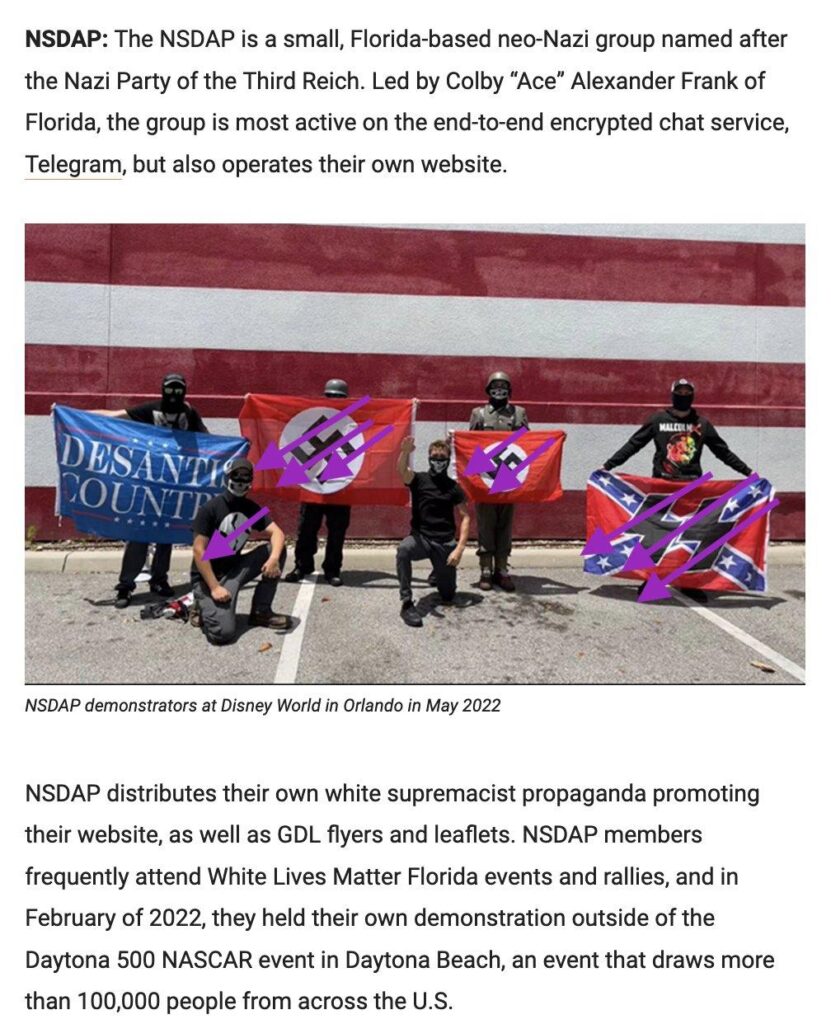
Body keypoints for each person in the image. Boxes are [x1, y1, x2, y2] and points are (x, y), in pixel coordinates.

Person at [93, 373, 209, 608]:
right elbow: (114, 417)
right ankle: (126, 585)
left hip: (174, 486)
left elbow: (209, 441)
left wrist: (235, 447)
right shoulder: (151, 410)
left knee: (165, 536)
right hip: (148, 486)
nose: (174, 394)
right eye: (170, 389)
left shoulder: (189, 413)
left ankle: (159, 580)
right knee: (139, 536)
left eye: (179, 389)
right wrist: (75, 415)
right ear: (162, 390)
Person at [191, 458, 290, 645]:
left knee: (277, 548)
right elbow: (198, 550)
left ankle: (261, 612)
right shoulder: (210, 508)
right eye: (236, 476)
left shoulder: (251, 508)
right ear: (228, 477)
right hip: (208, 577)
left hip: (234, 569)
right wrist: (214, 587)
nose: (240, 482)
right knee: (223, 634)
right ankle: (199, 606)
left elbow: (277, 532)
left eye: (245, 478)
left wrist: (274, 558)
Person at [602, 378, 754, 480]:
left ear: (692, 396)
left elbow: (723, 452)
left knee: (692, 528)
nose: (683, 395)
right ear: (673, 395)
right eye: (680, 393)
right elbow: (634, 444)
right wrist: (607, 466)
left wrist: (748, 473)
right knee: (660, 528)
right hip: (662, 484)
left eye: (687, 393)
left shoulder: (702, 424)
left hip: (691, 485)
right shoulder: (658, 420)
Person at [396, 436, 470, 628]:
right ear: (429, 458)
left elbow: (466, 517)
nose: (438, 460)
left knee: (448, 595)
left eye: (442, 457)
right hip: (421, 538)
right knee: (404, 550)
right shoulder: (419, 479)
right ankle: (406, 602)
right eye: (434, 456)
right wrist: (404, 452)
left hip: (445, 543)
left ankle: (438, 572)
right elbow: (402, 472)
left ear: (448, 459)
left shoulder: (454, 487)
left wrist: (459, 549)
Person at [284, 379, 352, 587]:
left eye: (339, 397)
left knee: (337, 530)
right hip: (313, 483)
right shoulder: (314, 416)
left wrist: (410, 406)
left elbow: (377, 423)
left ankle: (332, 570)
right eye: (331, 396)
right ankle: (302, 566)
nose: (335, 401)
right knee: (306, 527)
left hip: (339, 484)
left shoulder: (351, 420)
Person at [469, 371, 529, 592]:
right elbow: (470, 446)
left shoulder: (519, 413)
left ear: (509, 390)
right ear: (488, 389)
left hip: (509, 479)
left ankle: (502, 569)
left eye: (504, 386)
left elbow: (528, 444)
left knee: (505, 525)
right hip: (486, 479)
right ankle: (485, 568)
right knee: (485, 525)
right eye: (495, 385)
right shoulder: (479, 414)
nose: (499, 389)